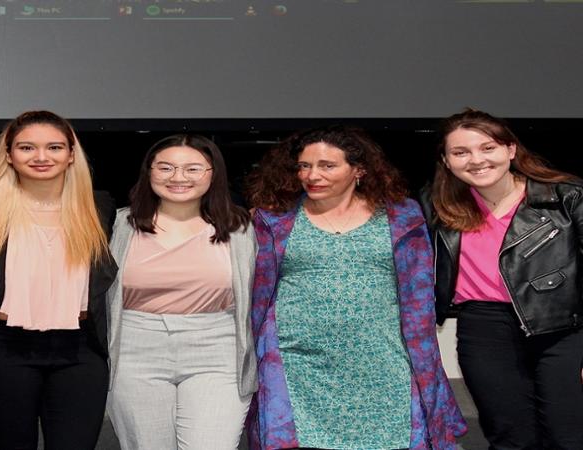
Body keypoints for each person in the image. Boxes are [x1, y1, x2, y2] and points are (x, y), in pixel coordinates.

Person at [245, 126, 465, 450]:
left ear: (359, 170)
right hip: (298, 364)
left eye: (326, 166)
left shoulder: (401, 216)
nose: (312, 175)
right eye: (304, 166)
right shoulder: (274, 219)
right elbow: (259, 292)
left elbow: (419, 299)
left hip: (382, 362)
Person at [0, 110, 117, 450]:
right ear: (8, 154)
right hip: (2, 349)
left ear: (71, 155)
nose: (41, 157)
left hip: (80, 351)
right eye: (27, 148)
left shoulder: (97, 207)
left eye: (54, 147)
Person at [422, 108, 583, 449]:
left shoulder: (565, 196)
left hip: (563, 329)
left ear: (510, 150)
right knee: (510, 438)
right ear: (446, 161)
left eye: (488, 148)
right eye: (460, 152)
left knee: (568, 437)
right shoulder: (436, 205)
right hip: (483, 330)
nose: (476, 160)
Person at [106, 134, 257, 449]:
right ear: (149, 172)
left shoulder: (240, 228)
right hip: (135, 348)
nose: (178, 178)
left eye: (193, 169)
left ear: (213, 175)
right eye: (166, 168)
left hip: (217, 349)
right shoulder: (118, 224)